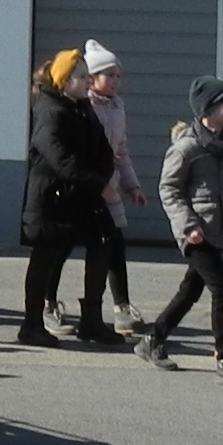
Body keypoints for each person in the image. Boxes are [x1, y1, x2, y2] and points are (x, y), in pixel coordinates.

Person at [141, 80, 223, 382]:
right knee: (222, 289)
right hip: (195, 232)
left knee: (189, 291)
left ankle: (151, 341)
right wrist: (188, 225)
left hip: (219, 229)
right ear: (209, 110)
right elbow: (169, 189)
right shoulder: (187, 148)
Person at [17, 49, 118, 347]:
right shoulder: (50, 111)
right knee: (45, 257)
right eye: (82, 77)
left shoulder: (83, 107)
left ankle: (91, 321)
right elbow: (60, 158)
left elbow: (103, 148)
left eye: (88, 76)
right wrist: (97, 183)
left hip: (82, 196)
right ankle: (32, 324)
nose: (88, 82)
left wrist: (101, 175)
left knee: (104, 242)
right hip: (52, 198)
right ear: (64, 81)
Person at [81, 42, 145, 340]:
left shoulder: (117, 108)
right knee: (63, 247)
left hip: (111, 189)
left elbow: (121, 151)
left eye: (118, 75)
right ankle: (49, 303)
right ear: (91, 78)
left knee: (115, 245)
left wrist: (131, 186)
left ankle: (122, 307)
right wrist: (95, 183)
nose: (116, 81)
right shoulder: (84, 107)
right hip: (86, 189)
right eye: (109, 75)